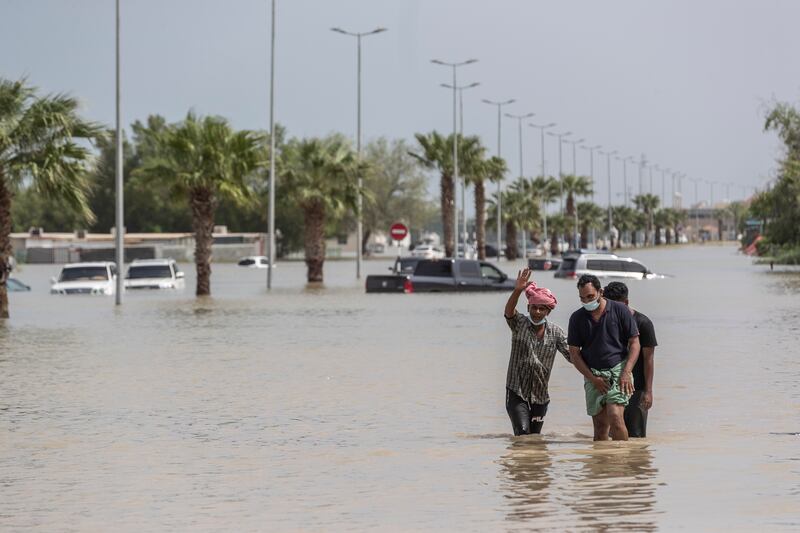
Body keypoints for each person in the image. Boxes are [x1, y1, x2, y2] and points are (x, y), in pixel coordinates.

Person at [567, 274, 641, 441]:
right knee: (600, 426)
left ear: (600, 292)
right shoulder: (577, 318)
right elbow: (574, 353)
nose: (586, 301)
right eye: (582, 298)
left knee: (615, 416)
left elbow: (635, 343)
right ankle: (602, 465)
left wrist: (626, 372)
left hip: (618, 370)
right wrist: (593, 379)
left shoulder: (619, 310)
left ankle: (622, 462)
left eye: (590, 297)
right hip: (593, 373)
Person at [503, 267, 570, 436]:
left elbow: (573, 356)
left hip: (540, 395)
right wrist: (518, 290)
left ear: (548, 311)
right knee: (523, 433)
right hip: (517, 390)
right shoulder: (519, 324)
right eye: (534, 308)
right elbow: (509, 312)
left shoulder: (556, 333)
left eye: (542, 309)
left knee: (534, 437)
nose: (538, 312)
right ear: (528, 307)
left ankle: (534, 463)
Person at [603, 281, 658, 438]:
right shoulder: (605, 321)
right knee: (610, 433)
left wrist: (648, 391)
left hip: (637, 387)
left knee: (636, 436)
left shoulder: (643, 323)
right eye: (609, 304)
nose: (612, 309)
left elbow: (649, 360)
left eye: (616, 305)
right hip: (611, 384)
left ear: (626, 302)